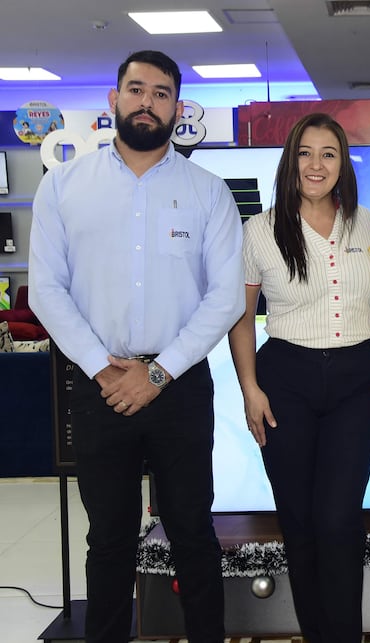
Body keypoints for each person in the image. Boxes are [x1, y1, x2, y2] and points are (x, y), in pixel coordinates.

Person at [28, 50, 245, 643]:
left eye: (161, 93)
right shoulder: (64, 188)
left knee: (193, 533)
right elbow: (46, 291)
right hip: (99, 387)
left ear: (178, 107)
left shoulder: (207, 193)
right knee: (111, 539)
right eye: (136, 89)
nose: (147, 102)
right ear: (113, 101)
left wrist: (157, 374)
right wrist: (103, 369)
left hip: (179, 387)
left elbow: (225, 299)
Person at [228, 112, 370, 643]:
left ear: (343, 164)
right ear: (290, 161)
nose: (316, 165)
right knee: (299, 520)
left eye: (328, 154)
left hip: (355, 381)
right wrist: (251, 390)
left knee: (339, 519)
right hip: (285, 379)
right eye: (305, 153)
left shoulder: (368, 226)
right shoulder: (260, 230)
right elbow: (242, 317)